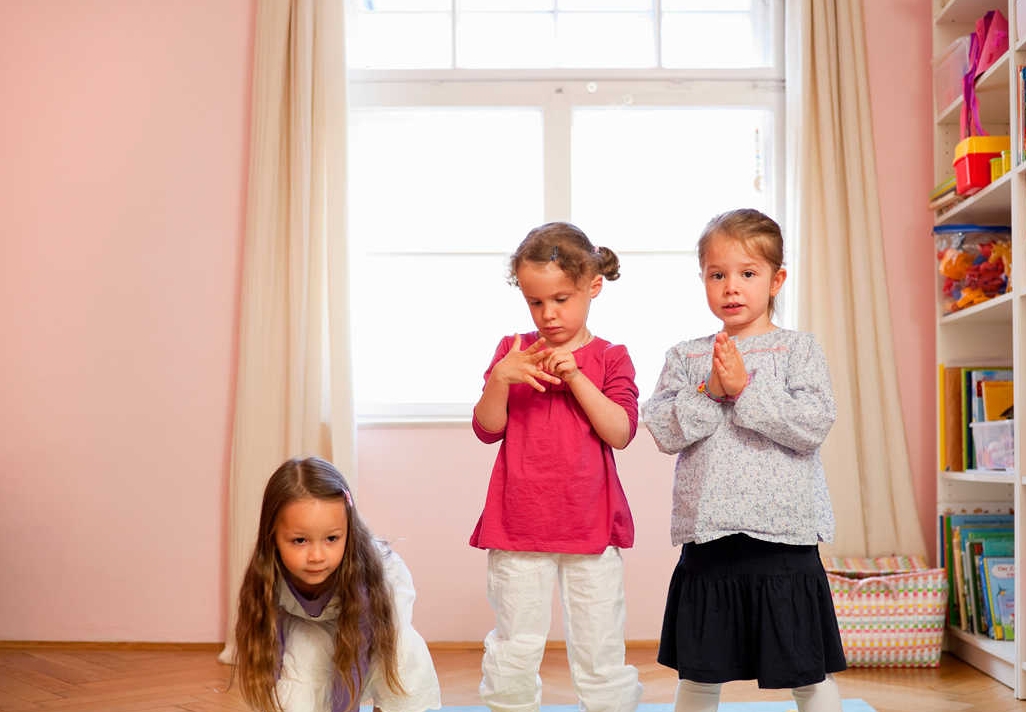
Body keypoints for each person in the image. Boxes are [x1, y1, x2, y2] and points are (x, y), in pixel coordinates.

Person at [640, 209, 846, 712]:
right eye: (717, 274)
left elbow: (812, 426)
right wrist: (712, 390)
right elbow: (665, 431)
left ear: (776, 280)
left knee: (806, 669)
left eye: (747, 273)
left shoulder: (798, 349)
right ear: (704, 280)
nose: (731, 287)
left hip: (784, 537)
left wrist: (744, 392)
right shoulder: (686, 357)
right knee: (699, 672)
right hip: (710, 536)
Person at [470, 221, 643, 712]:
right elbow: (487, 428)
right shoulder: (513, 351)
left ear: (593, 287)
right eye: (536, 302)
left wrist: (577, 378)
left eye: (561, 299)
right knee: (516, 644)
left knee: (599, 647)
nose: (548, 315)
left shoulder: (611, 357)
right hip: (518, 525)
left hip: (589, 525)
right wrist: (501, 379)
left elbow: (621, 432)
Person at [233, 456, 441, 712]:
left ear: (348, 533)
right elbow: (271, 649)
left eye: (331, 538)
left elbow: (355, 656)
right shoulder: (267, 576)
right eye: (300, 541)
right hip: (316, 618)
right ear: (272, 536)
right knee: (303, 666)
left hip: (376, 612)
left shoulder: (365, 578)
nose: (317, 556)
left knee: (399, 652)